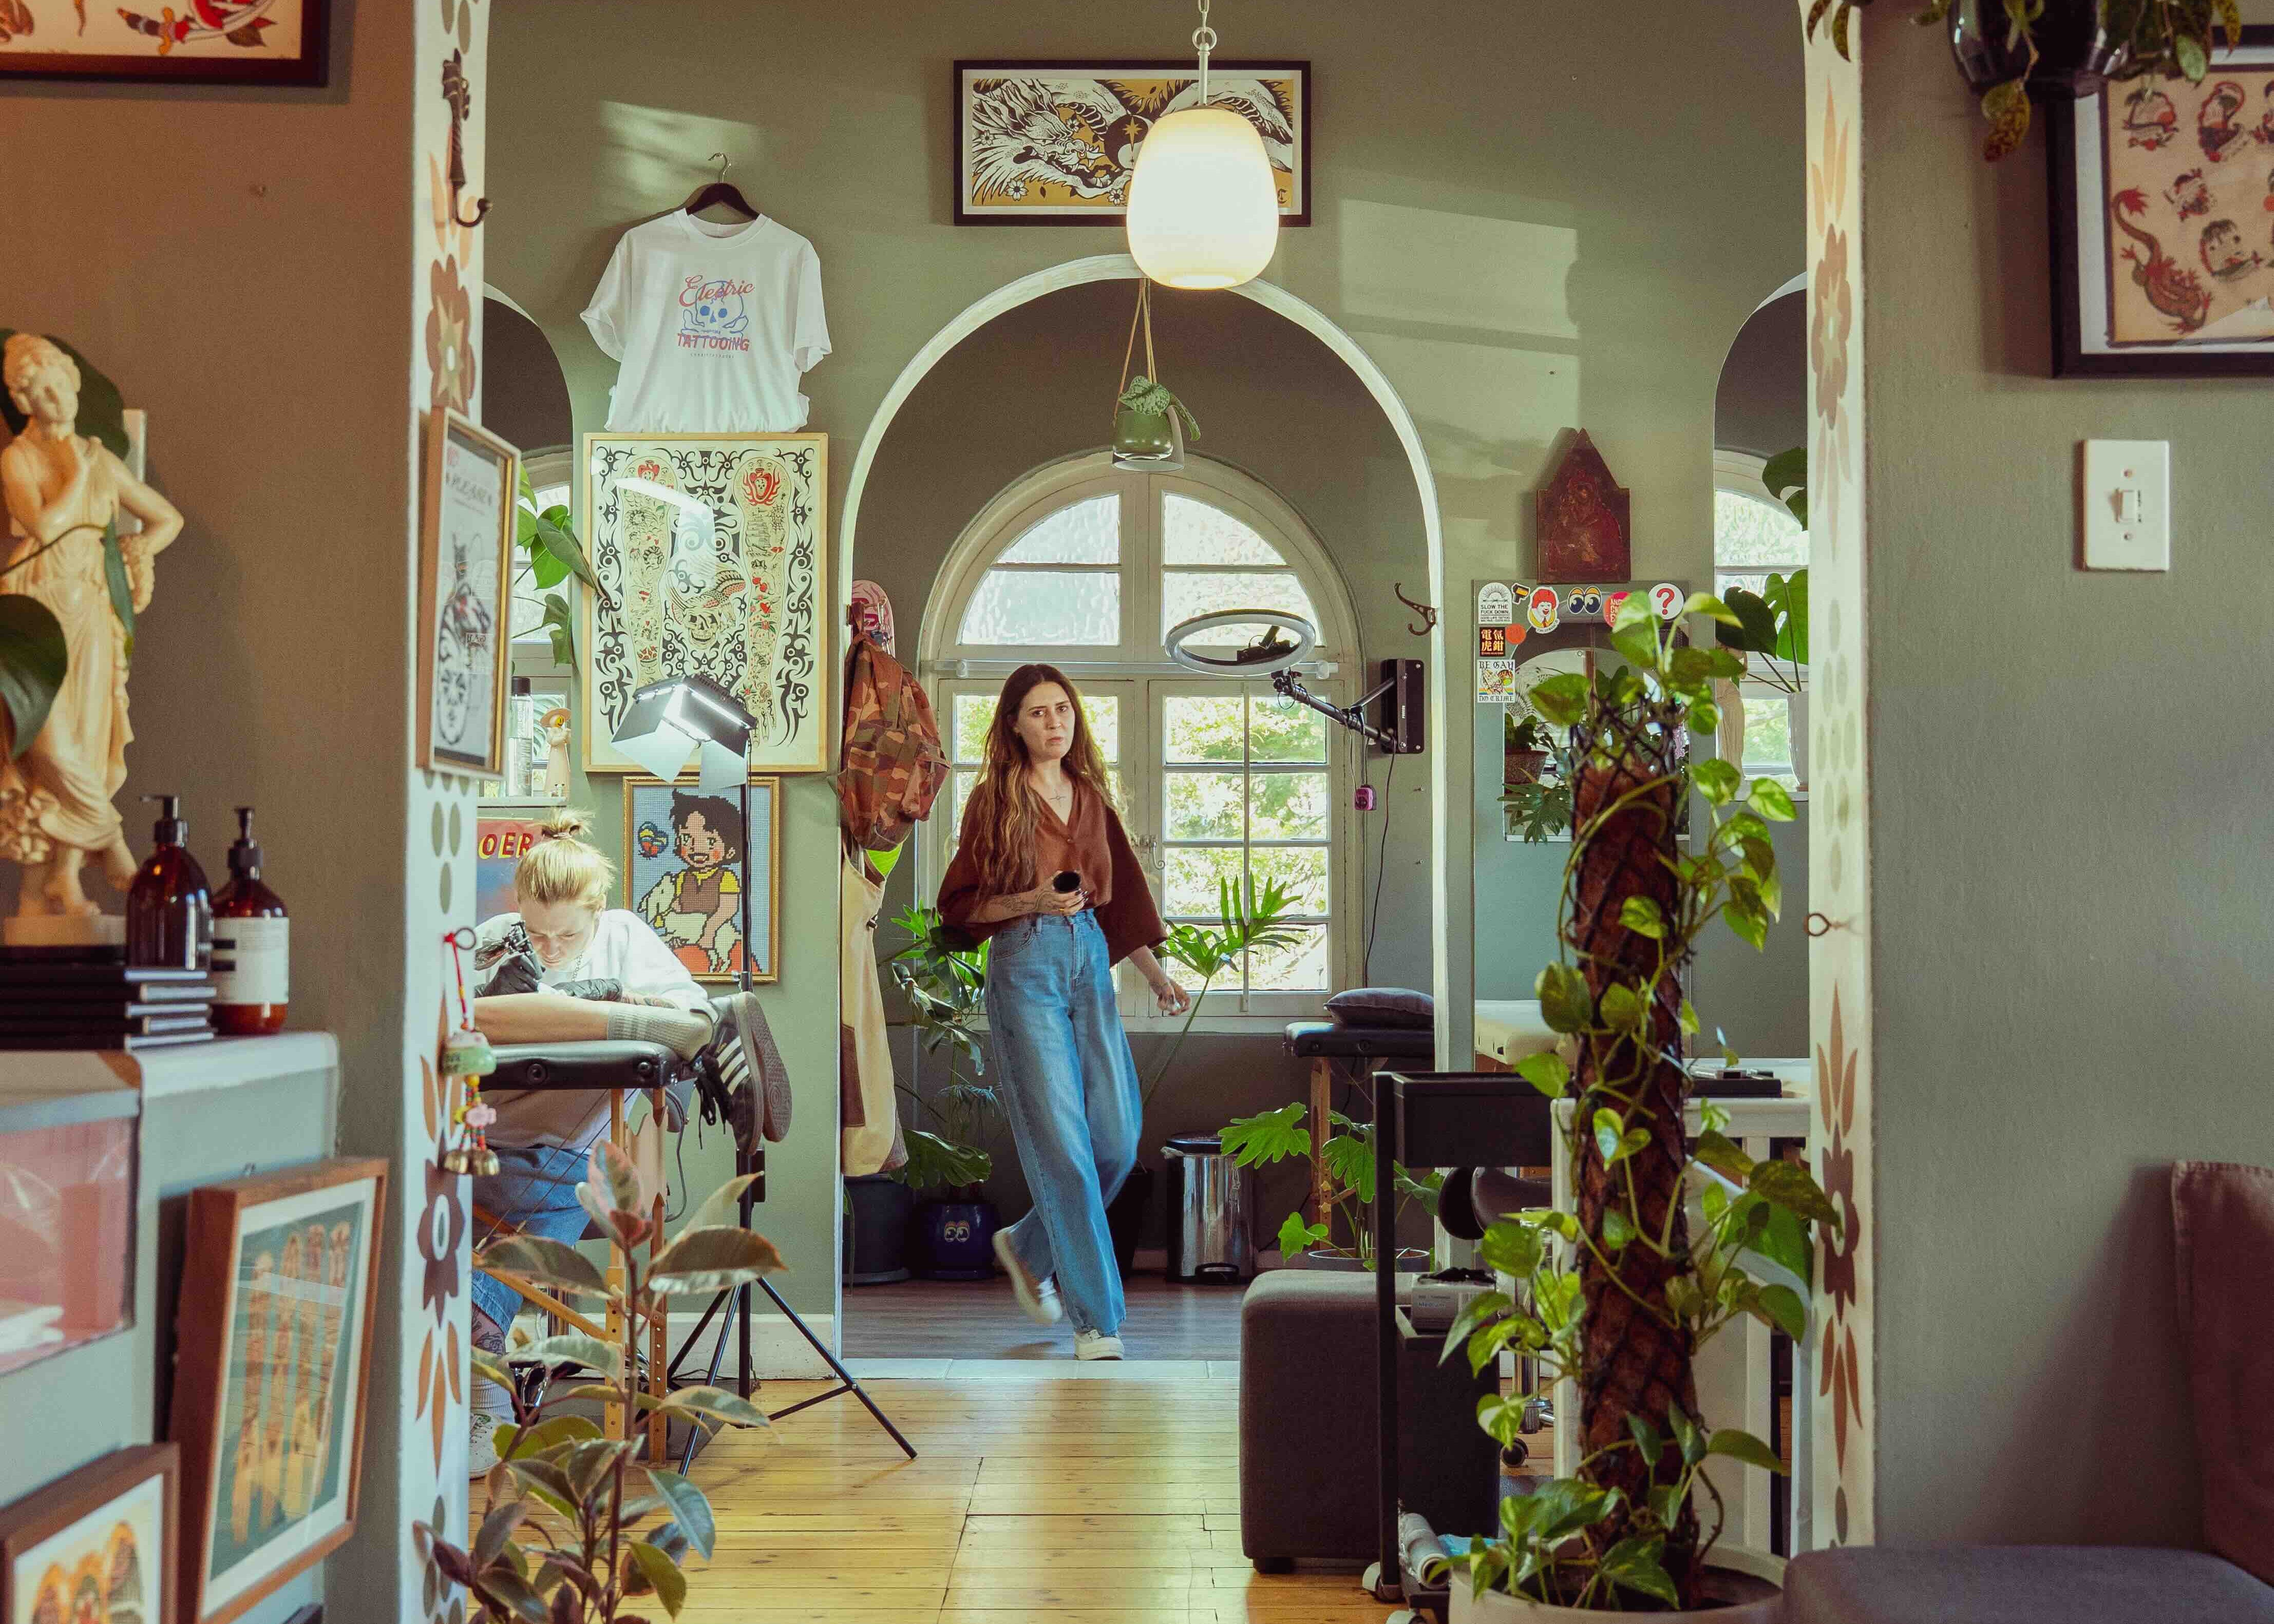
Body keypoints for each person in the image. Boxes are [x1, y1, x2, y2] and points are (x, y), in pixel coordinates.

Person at [938, 664, 1190, 1361]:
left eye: (1063, 711)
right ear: (1014, 724)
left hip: (1089, 962)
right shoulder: (995, 801)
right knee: (1063, 1150)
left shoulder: (1091, 798)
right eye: (1039, 712)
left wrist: (1156, 974)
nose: (1055, 722)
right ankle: (1096, 1320)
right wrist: (1031, 901)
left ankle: (1026, 1245)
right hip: (1025, 963)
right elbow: (961, 909)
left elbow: (1120, 905)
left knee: (1114, 1139)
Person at [464, 810, 715, 1473]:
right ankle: (477, 1373)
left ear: (596, 909)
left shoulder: (625, 936)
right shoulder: (495, 940)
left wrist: (591, 1008)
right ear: (518, 906)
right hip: (490, 1138)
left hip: (573, 1149)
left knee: (534, 1205)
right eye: (536, 932)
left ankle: (482, 1373)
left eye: (566, 933)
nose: (547, 948)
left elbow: (694, 1023)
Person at [0, 333, 183, 919]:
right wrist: (77, 475)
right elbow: (42, 525)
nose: (59, 397)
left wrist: (137, 553)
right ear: (26, 401)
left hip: (94, 613)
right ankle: (112, 844)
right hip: (33, 610)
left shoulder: (100, 458)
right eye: (43, 390)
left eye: (62, 382)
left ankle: (55, 885)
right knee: (43, 745)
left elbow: (166, 519)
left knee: (91, 745)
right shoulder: (20, 458)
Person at [636, 788, 744, 976]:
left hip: (717, 932)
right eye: (687, 838)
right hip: (685, 936)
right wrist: (666, 915)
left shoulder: (726, 878)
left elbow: (728, 909)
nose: (697, 849)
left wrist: (709, 932)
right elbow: (679, 903)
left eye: (710, 841)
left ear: (731, 850)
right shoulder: (682, 879)